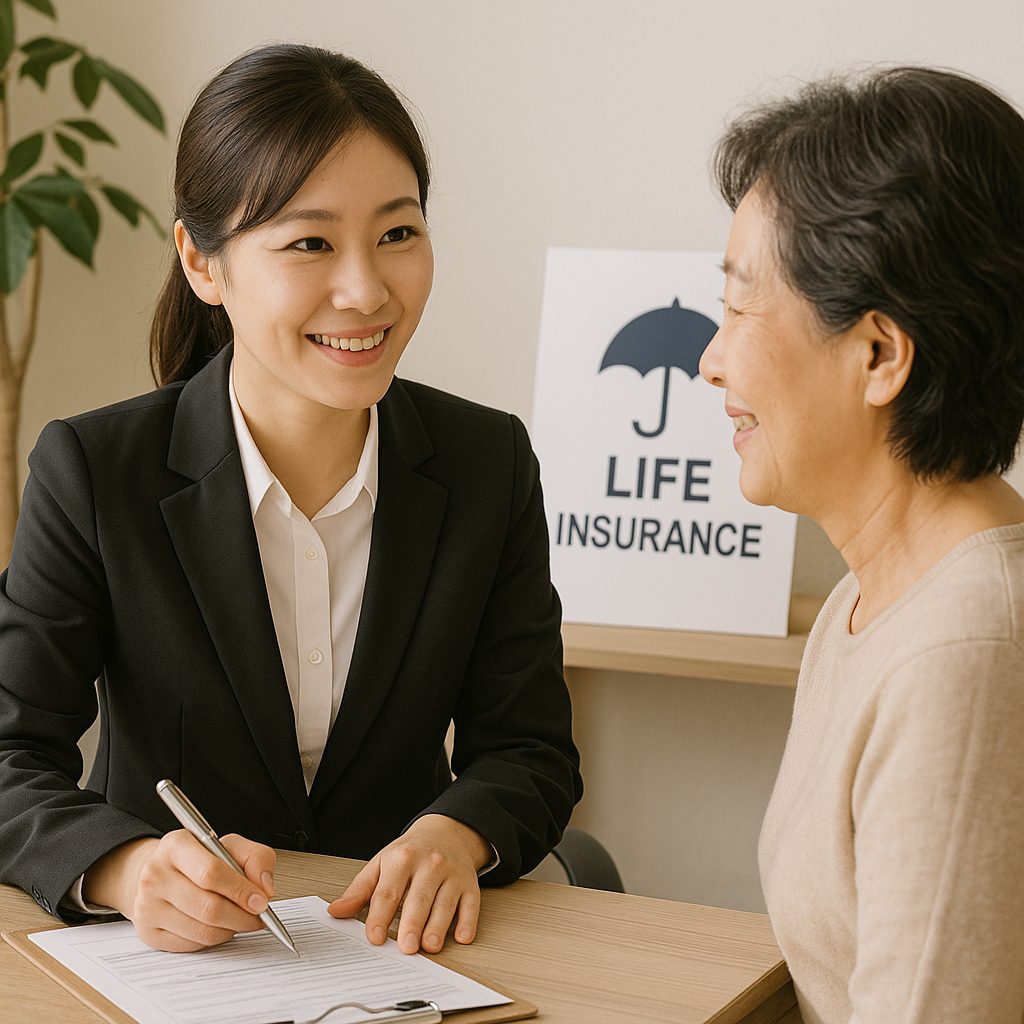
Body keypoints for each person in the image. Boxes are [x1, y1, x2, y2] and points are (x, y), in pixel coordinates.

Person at [0, 43, 581, 957]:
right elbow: (7, 752)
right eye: (310, 243)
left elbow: (531, 751)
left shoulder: (486, 462)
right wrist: (129, 869)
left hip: (403, 962)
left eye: (398, 233)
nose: (366, 290)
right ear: (202, 261)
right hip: (172, 969)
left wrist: (456, 832)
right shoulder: (94, 470)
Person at [699, 68, 1024, 1024]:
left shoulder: (966, 654)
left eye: (741, 307)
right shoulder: (869, 600)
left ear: (879, 355)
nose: (710, 357)